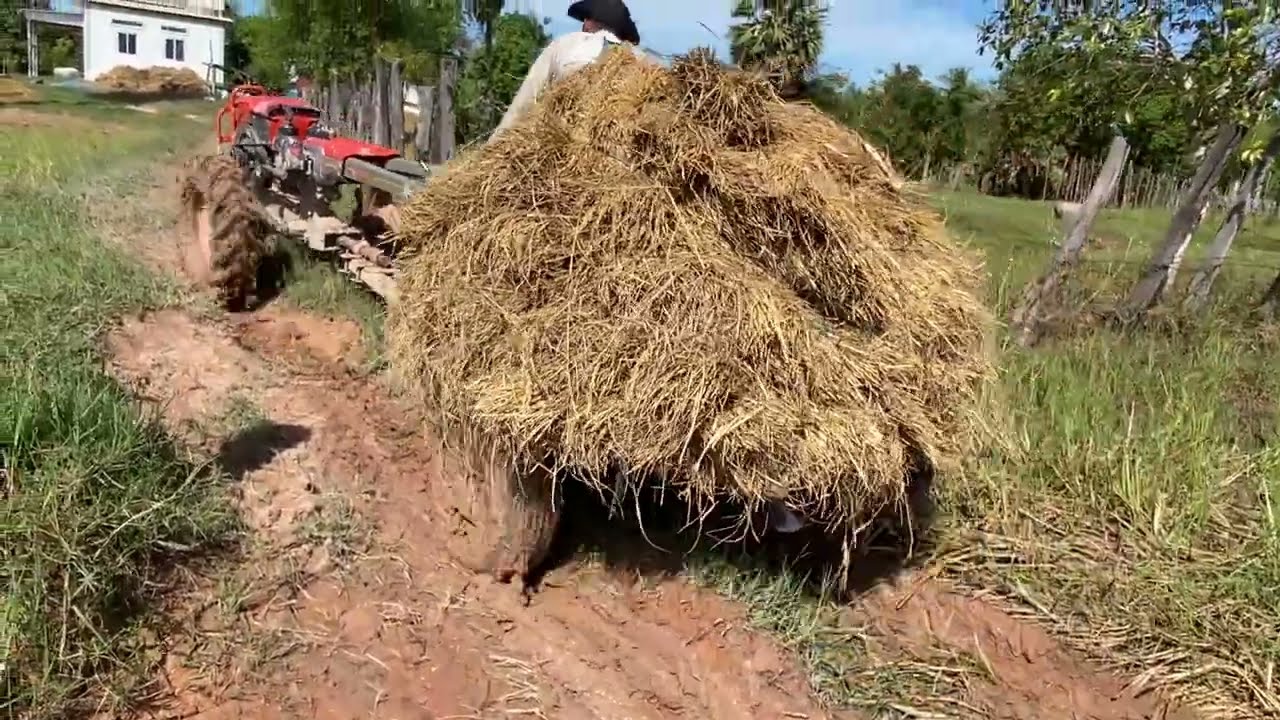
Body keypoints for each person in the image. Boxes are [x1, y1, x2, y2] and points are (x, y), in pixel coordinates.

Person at [490, 0, 644, 138]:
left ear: (590, 21)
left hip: (563, 141)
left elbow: (525, 100)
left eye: (584, 19)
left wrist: (494, 147)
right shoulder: (639, 59)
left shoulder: (564, 44)